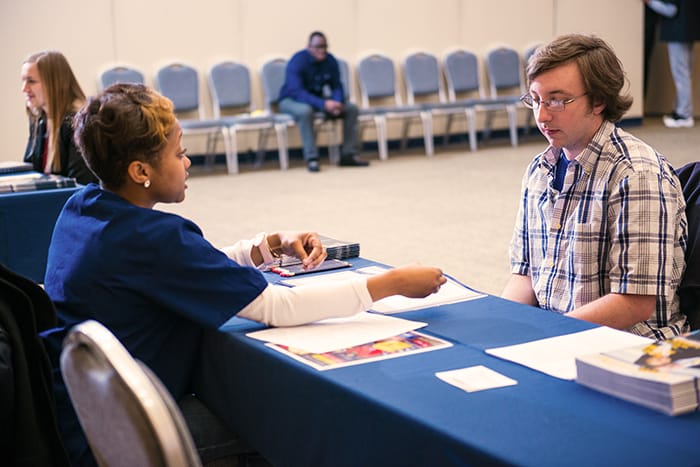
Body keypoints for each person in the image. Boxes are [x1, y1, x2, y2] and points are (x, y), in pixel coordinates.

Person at [41, 82, 445, 465]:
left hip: (82, 413)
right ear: (139, 171)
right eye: (178, 153)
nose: (188, 162)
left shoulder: (81, 208)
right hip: (128, 434)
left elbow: (191, 264)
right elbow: (277, 306)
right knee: (285, 415)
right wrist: (390, 284)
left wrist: (267, 245)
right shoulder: (156, 238)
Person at [502, 33, 689, 340]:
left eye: (558, 101)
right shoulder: (540, 168)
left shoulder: (636, 175)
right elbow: (524, 275)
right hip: (559, 336)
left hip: (625, 345)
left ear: (599, 101)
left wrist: (548, 336)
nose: (542, 115)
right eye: (535, 100)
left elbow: (635, 303)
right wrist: (502, 327)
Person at [278, 31, 368, 172]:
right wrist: (324, 104)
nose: (322, 50)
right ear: (309, 47)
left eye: (325, 46)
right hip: (291, 100)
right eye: (318, 47)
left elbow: (337, 85)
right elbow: (297, 91)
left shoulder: (330, 60)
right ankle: (312, 158)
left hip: (317, 99)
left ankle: (348, 154)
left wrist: (337, 102)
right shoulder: (298, 61)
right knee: (305, 111)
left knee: (351, 109)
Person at [21, 50, 98, 185]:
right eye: (23, 81)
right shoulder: (39, 120)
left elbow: (79, 184)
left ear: (53, 83)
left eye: (31, 81)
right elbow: (30, 173)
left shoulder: (79, 122)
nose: (24, 88)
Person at [644, 0, 700, 128]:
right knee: (686, 73)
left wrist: (650, 2)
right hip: (689, 30)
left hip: (677, 31)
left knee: (681, 74)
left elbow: (671, 10)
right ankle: (680, 110)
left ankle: (683, 114)